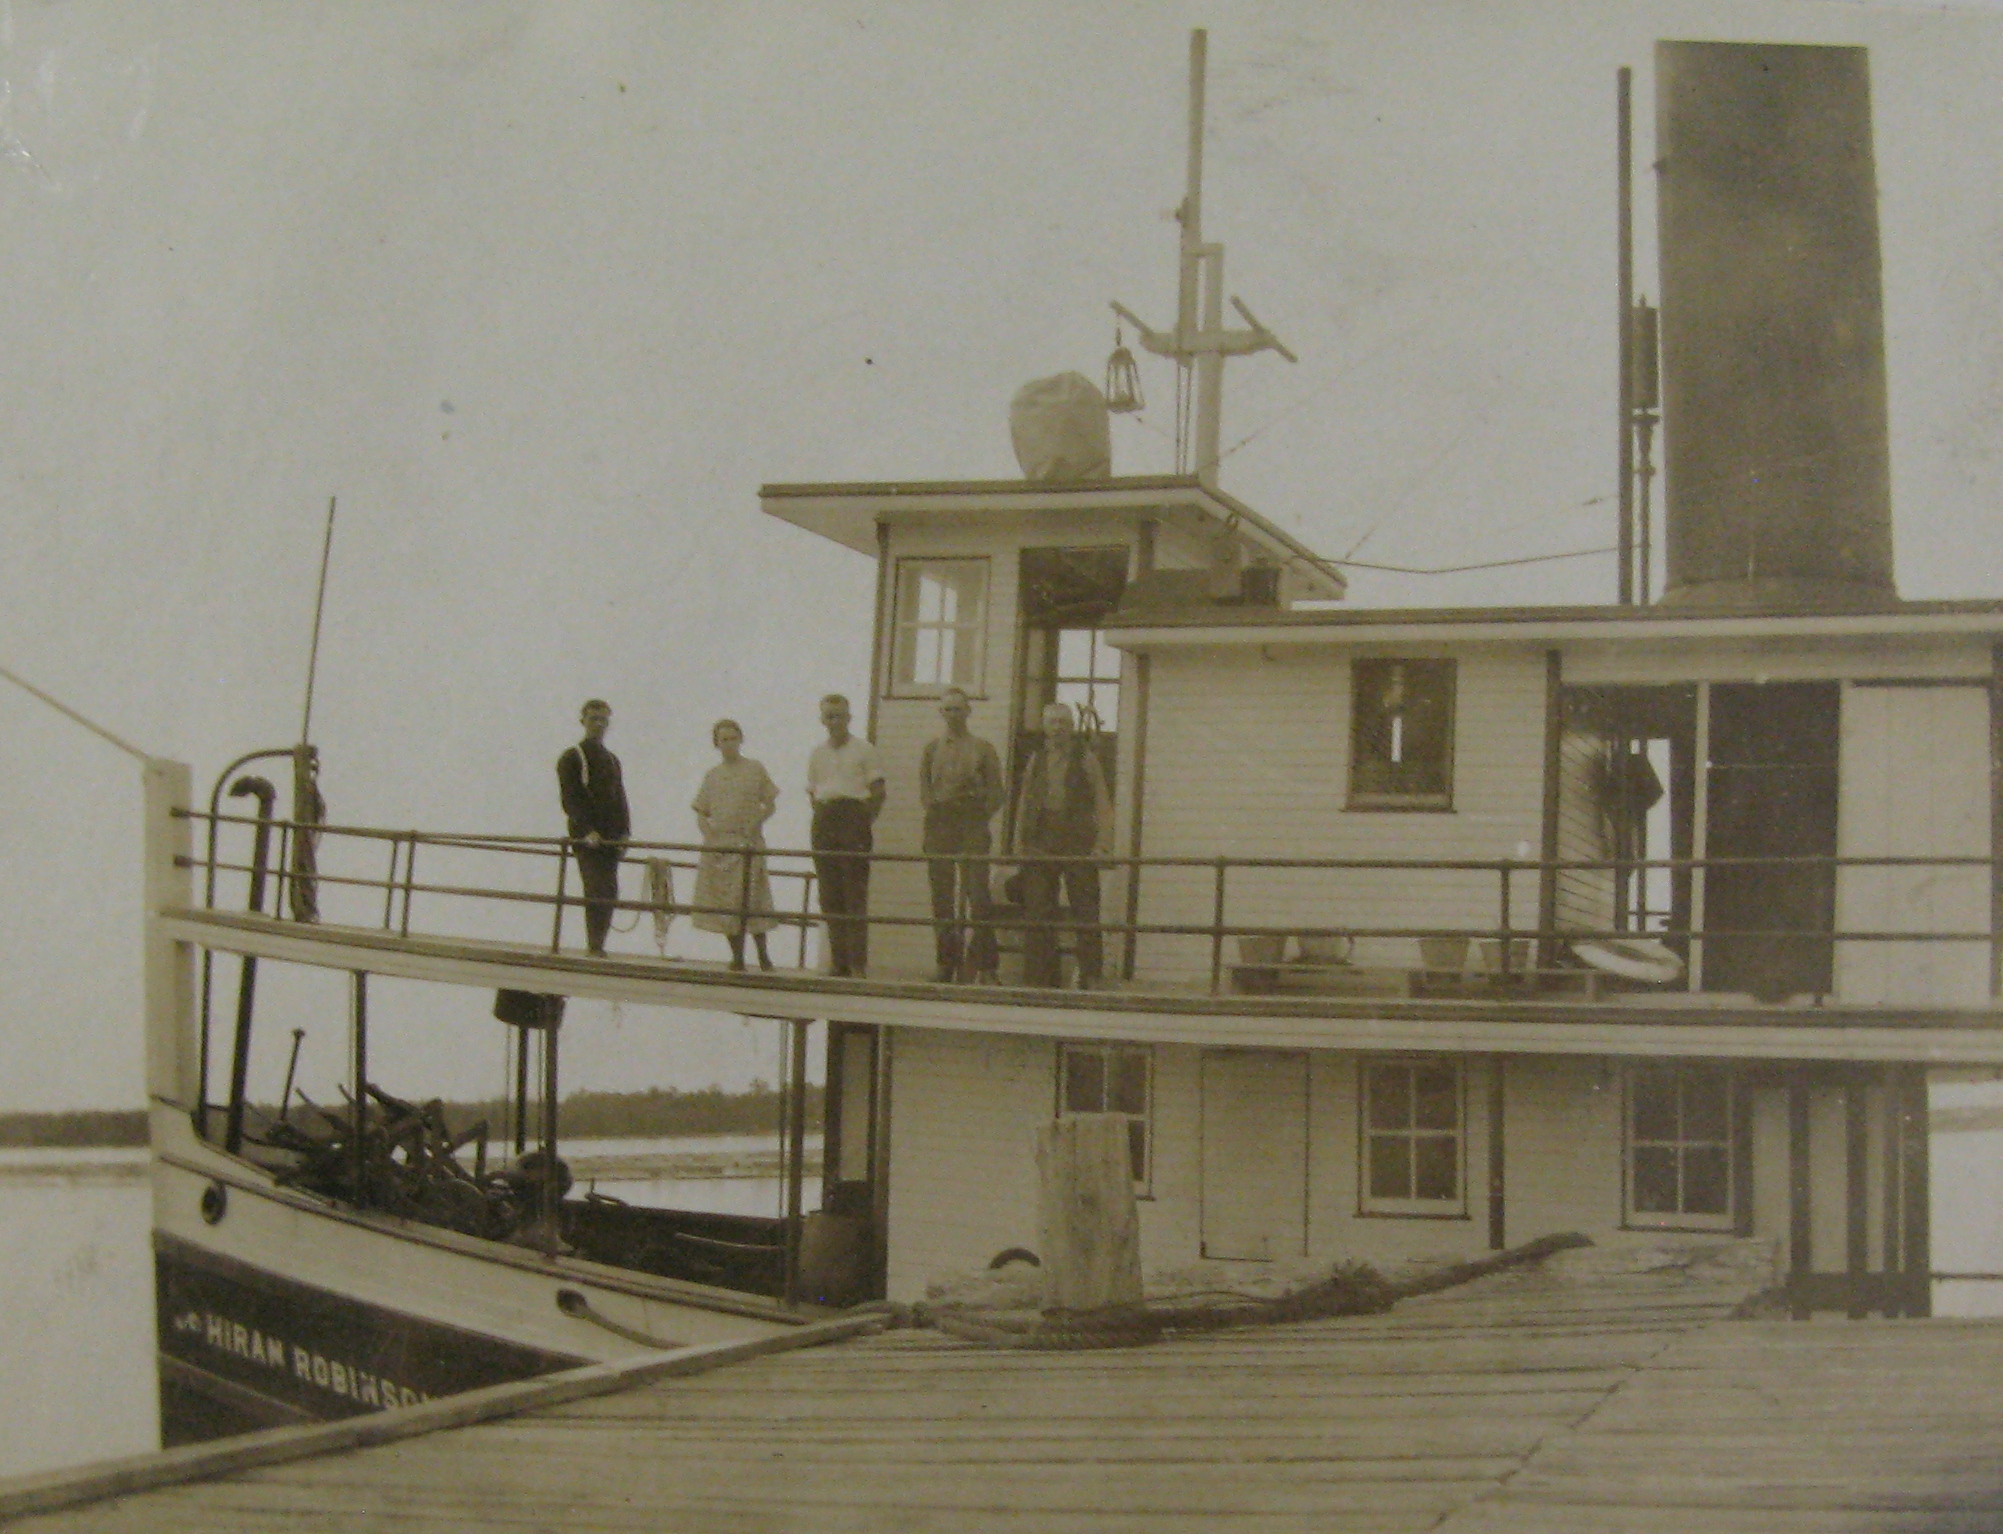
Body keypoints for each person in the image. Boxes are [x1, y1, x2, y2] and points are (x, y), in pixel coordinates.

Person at [1011, 700, 1113, 989]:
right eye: (1052, 723)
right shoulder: (1037, 759)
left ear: (1071, 728)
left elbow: (1102, 802)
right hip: (1041, 840)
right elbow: (1025, 801)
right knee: (1038, 908)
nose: (1057, 729)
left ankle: (1091, 976)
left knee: (1086, 908)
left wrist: (1102, 845)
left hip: (1077, 839)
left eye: (1063, 723)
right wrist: (1021, 841)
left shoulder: (1086, 758)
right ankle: (1040, 980)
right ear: (1044, 727)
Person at [919, 687, 1005, 982]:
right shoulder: (932, 749)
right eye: (948, 710)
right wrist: (936, 814)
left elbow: (997, 793)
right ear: (941, 713)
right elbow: (925, 791)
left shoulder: (983, 748)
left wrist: (979, 817)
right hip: (941, 823)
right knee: (941, 896)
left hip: (971, 822)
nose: (953, 715)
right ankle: (946, 962)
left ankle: (987, 966)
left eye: (959, 709)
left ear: (968, 712)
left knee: (978, 895)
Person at [691, 718, 779, 971]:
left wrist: (756, 822)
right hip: (722, 845)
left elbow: (770, 802)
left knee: (754, 899)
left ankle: (764, 956)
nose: (729, 744)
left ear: (741, 739)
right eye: (723, 740)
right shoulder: (713, 775)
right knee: (727, 904)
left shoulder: (755, 769)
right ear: (716, 744)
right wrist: (709, 836)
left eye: (733, 738)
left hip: (748, 842)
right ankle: (737, 956)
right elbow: (701, 811)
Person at [807, 693, 884, 977]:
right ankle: (838, 962)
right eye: (829, 716)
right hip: (825, 819)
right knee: (829, 895)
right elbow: (814, 794)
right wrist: (823, 818)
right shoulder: (817, 753)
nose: (834, 721)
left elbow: (878, 793)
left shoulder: (864, 749)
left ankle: (857, 965)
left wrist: (862, 824)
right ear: (822, 719)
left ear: (849, 718)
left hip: (853, 818)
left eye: (839, 715)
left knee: (854, 894)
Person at [556, 698, 629, 957]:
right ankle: (595, 946)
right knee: (595, 888)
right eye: (593, 719)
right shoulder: (573, 757)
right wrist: (586, 830)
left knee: (610, 890)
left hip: (610, 839)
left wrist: (625, 833)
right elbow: (570, 799)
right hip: (587, 839)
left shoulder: (612, 760)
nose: (599, 724)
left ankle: (599, 943)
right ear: (583, 721)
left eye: (603, 720)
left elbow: (620, 798)